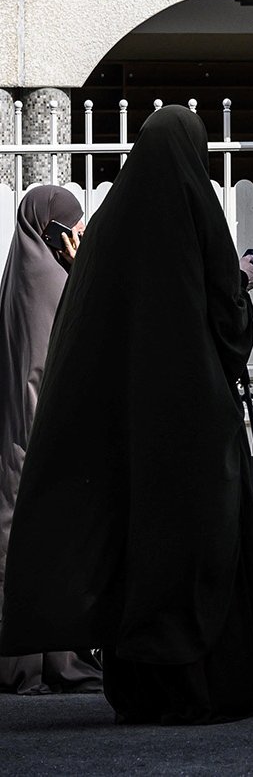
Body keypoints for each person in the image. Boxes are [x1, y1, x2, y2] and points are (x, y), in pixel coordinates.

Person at [0, 107, 253, 723]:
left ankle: (141, 689)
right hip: (196, 429)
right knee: (201, 549)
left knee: (140, 552)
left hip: (127, 430)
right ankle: (213, 687)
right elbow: (229, 330)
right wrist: (238, 295)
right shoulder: (196, 213)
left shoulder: (106, 233)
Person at [0, 185, 101, 695]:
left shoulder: (24, 268)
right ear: (51, 228)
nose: (79, 238)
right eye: (74, 230)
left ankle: (41, 662)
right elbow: (39, 374)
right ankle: (32, 667)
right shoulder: (46, 279)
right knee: (30, 543)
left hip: (19, 438)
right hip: (33, 440)